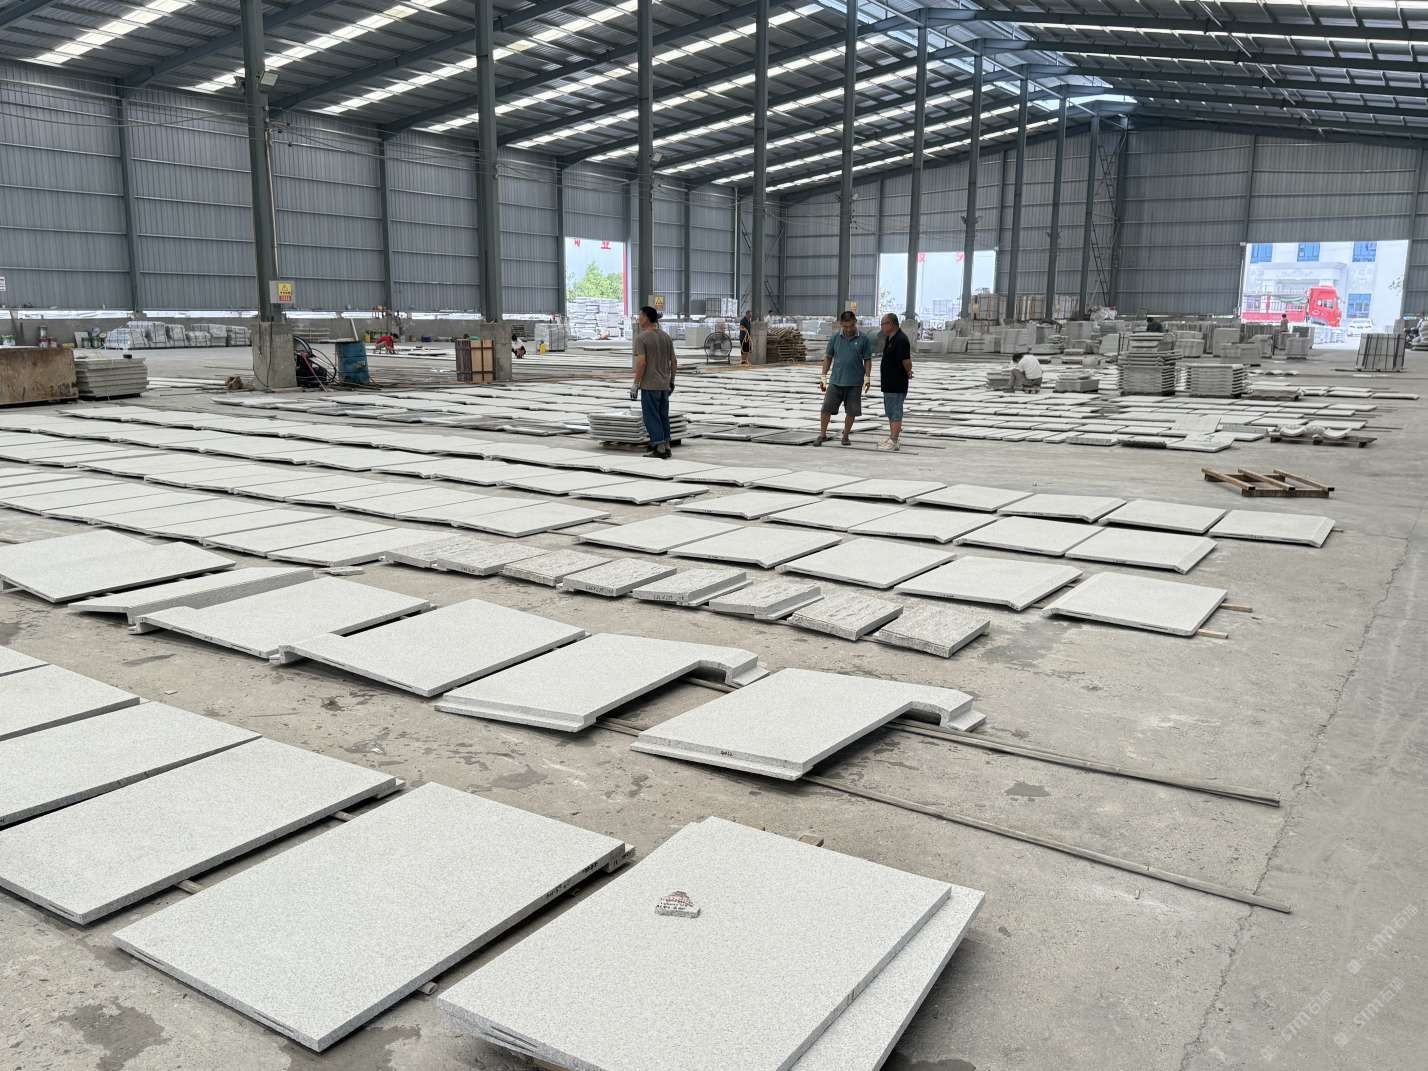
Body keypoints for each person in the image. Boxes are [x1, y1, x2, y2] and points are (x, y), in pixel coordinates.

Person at [818, 310, 872, 446]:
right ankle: (822, 435)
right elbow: (828, 357)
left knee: (851, 411)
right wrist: (823, 376)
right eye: (845, 326)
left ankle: (845, 436)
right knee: (826, 408)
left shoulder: (864, 339)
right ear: (841, 324)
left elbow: (867, 359)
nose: (848, 329)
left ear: (855, 322)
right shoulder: (835, 338)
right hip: (836, 381)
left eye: (851, 326)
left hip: (855, 383)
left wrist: (867, 377)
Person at [630, 305, 677, 459]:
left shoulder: (641, 338)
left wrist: (636, 384)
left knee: (651, 417)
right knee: (663, 416)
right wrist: (672, 381)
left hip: (650, 385)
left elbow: (642, 363)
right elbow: (674, 361)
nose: (638, 319)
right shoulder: (666, 337)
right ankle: (667, 446)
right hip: (664, 385)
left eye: (640, 316)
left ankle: (660, 448)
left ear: (646, 318)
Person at [878, 313, 912, 451]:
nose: (882, 327)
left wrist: (908, 371)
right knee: (890, 411)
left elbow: (906, 361)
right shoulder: (890, 338)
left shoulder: (901, 339)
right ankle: (892, 437)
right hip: (888, 383)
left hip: (897, 383)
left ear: (891, 324)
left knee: (896, 412)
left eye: (883, 324)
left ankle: (894, 440)